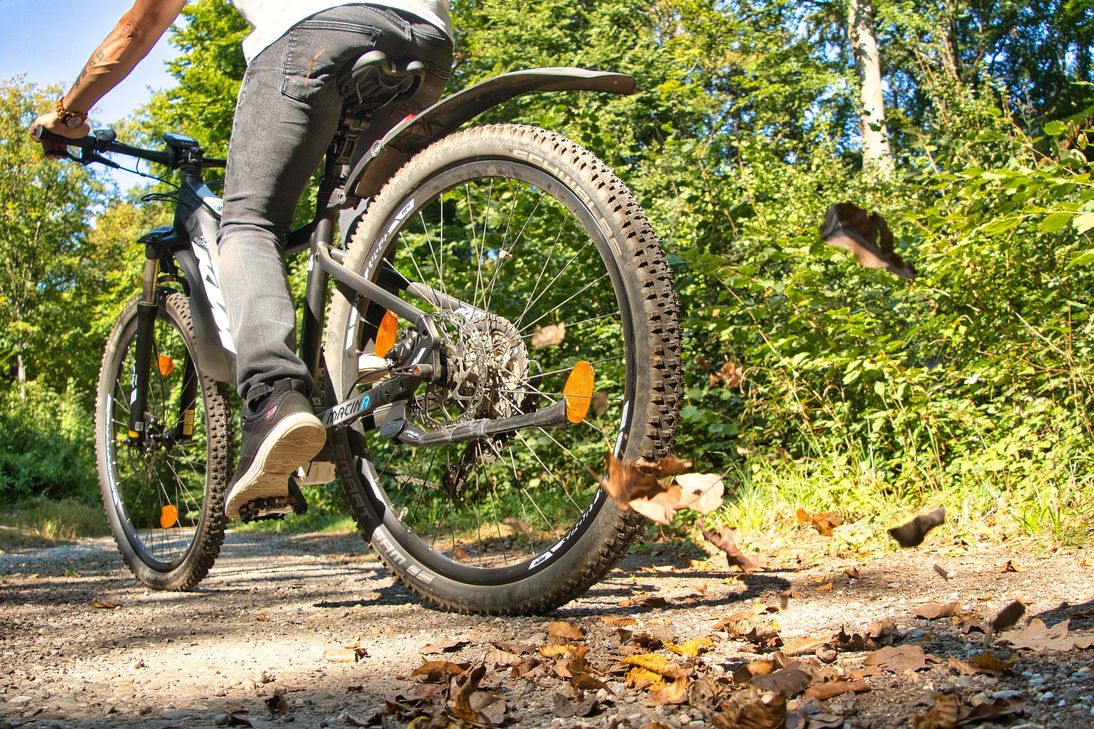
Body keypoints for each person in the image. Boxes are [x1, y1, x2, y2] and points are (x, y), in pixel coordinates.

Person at [30, 0, 454, 519]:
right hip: (427, 41)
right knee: (363, 225)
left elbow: (137, 29)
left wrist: (69, 112)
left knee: (249, 223)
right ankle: (372, 362)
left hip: (321, 32)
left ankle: (276, 398)